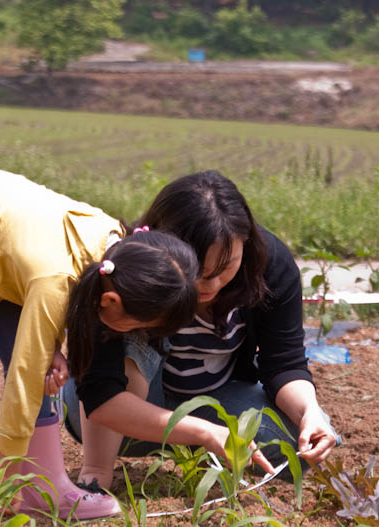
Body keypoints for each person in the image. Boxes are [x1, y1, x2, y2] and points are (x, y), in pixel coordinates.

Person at [0, 165, 200, 523]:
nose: (134, 336)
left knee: (37, 363)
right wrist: (2, 480)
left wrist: (50, 346)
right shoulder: (54, 279)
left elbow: (44, 282)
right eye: (139, 326)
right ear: (111, 302)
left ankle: (44, 486)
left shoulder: (114, 248)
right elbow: (25, 376)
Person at [62, 170, 341, 492]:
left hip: (214, 399)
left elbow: (284, 362)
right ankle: (96, 476)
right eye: (198, 272)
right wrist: (203, 432)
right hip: (117, 414)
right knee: (131, 347)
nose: (210, 285)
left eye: (225, 269)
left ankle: (199, 442)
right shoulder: (127, 269)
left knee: (298, 440)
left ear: (245, 243)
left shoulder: (270, 266)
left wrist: (309, 412)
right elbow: (101, 393)